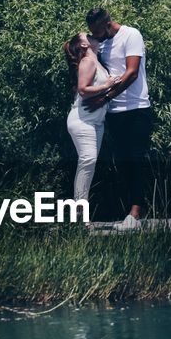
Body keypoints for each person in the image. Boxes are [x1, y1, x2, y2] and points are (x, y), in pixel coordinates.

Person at [84, 7, 151, 231]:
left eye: (96, 31)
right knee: (123, 162)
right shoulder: (102, 42)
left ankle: (135, 214)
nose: (95, 35)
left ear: (106, 24)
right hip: (114, 112)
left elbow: (131, 72)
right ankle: (131, 214)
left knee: (136, 160)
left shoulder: (131, 35)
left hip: (136, 108)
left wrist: (106, 97)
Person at [64, 32, 116, 210]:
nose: (91, 34)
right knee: (88, 160)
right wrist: (106, 86)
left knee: (89, 165)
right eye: (86, 35)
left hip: (96, 121)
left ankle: (80, 209)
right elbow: (83, 89)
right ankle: (79, 213)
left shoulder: (97, 61)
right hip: (83, 120)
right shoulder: (88, 61)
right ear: (84, 45)